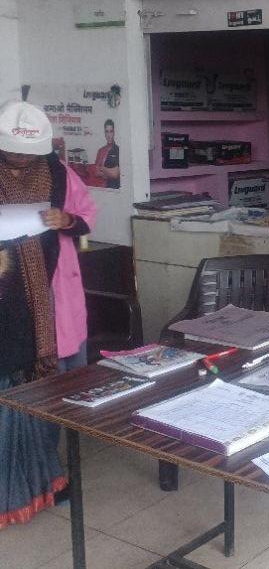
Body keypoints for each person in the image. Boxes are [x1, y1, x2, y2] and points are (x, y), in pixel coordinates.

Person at [0, 100, 96, 528]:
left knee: (58, 392)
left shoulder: (59, 173)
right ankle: (28, 480)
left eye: (29, 154)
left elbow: (87, 217)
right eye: (13, 152)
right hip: (8, 301)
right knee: (22, 394)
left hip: (57, 301)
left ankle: (51, 475)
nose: (21, 160)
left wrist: (65, 218)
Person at [92, 118, 120, 189]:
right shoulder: (101, 150)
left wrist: (102, 168)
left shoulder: (118, 150)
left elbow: (115, 174)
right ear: (104, 133)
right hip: (102, 188)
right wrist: (109, 172)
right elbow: (96, 172)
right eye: (107, 132)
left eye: (111, 131)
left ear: (114, 133)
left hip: (115, 189)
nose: (109, 135)